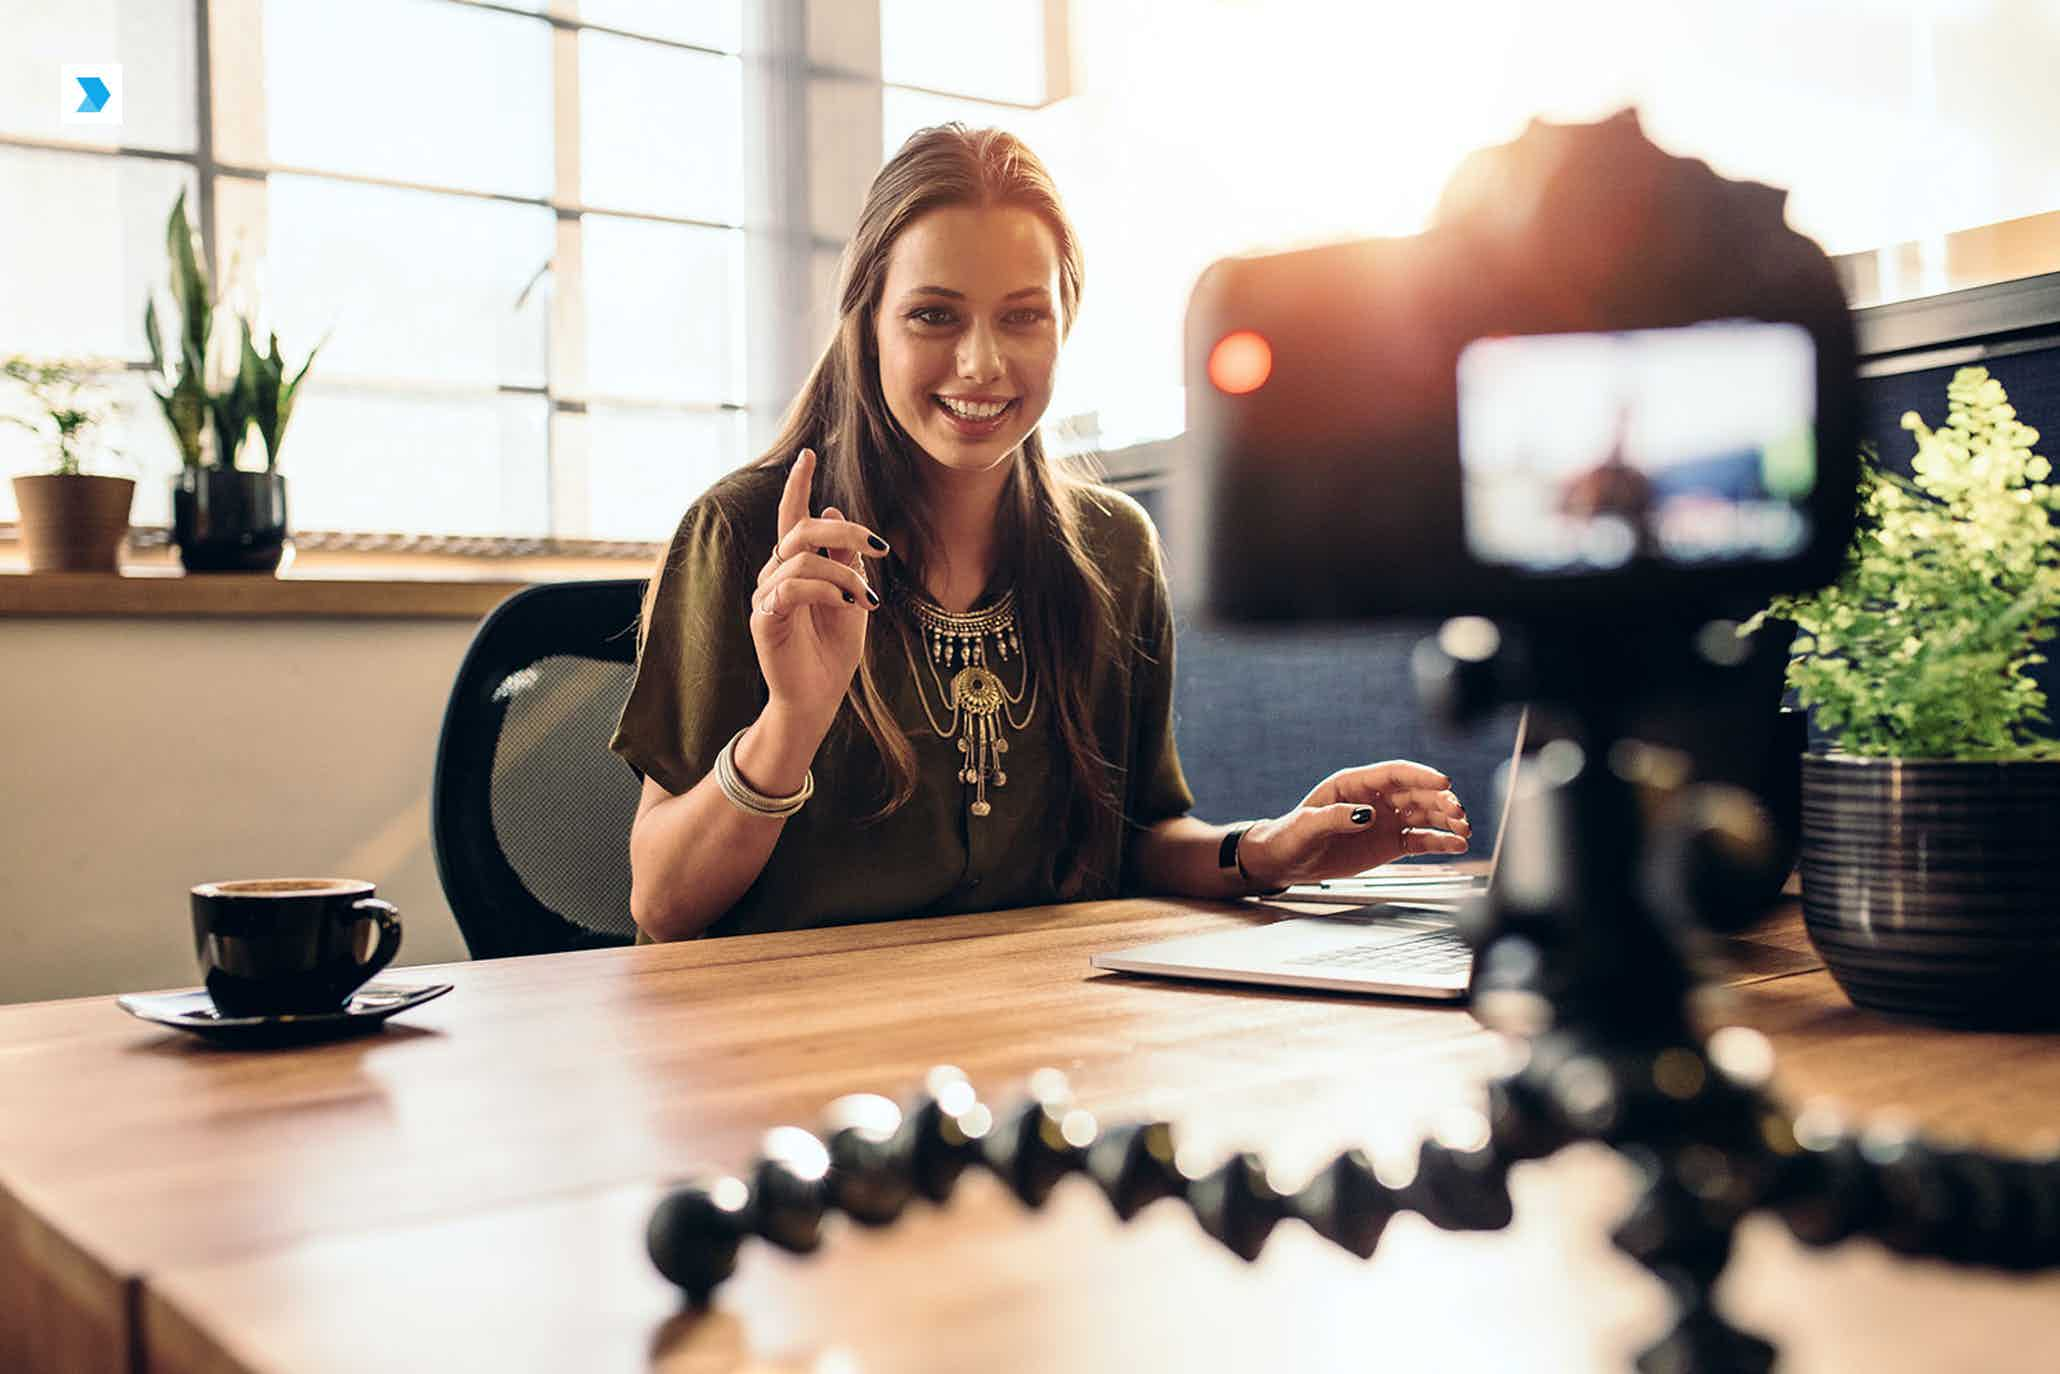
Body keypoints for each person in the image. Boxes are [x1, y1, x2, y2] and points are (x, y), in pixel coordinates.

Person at [612, 125, 1470, 942]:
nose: (982, 363)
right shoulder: (749, 536)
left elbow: (1135, 838)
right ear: (868, 324)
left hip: (1032, 1025)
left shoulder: (1115, 551)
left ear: (1066, 322)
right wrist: (792, 722)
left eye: (1023, 316)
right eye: (934, 316)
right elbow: (664, 904)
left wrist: (1268, 850)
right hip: (784, 1047)